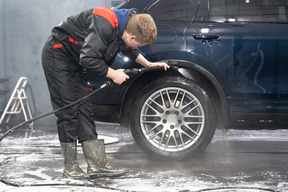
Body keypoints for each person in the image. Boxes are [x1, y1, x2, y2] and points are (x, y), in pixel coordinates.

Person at [41, 7, 170, 179]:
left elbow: (130, 48)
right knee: (69, 109)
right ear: (132, 36)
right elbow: (88, 58)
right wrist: (113, 74)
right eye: (140, 44)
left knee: (84, 109)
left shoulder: (125, 26)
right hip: (58, 54)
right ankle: (70, 166)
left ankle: (96, 164)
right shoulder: (106, 21)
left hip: (75, 60)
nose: (139, 47)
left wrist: (148, 64)